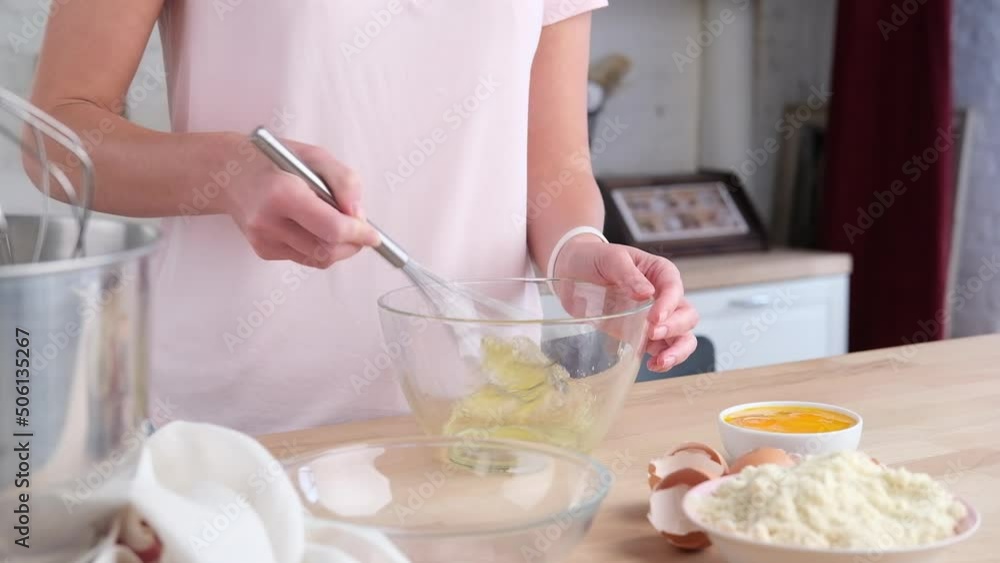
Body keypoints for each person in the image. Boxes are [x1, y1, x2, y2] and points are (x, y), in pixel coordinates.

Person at [30, 0, 699, 435]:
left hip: (473, 423)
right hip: (238, 431)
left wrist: (579, 253)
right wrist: (228, 174)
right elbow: (54, 133)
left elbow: (555, 167)